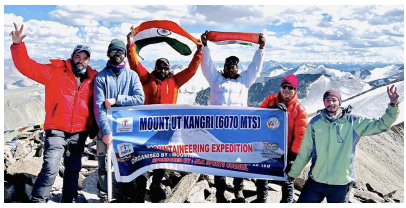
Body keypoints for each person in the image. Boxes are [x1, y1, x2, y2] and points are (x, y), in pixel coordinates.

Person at [10, 23, 98, 203]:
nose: (81, 60)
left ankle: (69, 200)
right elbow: (27, 66)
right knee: (50, 166)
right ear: (72, 57)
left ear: (88, 61)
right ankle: (38, 200)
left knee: (73, 169)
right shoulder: (55, 72)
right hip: (56, 129)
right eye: (77, 56)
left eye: (85, 58)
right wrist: (18, 46)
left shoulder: (93, 79)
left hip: (79, 132)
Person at [126, 27, 203, 202]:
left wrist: (199, 52)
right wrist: (130, 44)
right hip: (146, 125)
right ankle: (141, 185)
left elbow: (191, 70)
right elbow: (135, 64)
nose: (162, 70)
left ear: (169, 69)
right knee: (144, 155)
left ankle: (156, 184)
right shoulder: (147, 78)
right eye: (160, 67)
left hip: (167, 126)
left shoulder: (175, 80)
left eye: (165, 67)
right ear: (156, 68)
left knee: (161, 156)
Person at [288, 86, 400, 203]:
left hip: (341, 184)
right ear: (324, 102)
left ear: (339, 102)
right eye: (327, 100)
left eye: (334, 100)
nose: (330, 103)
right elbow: (305, 151)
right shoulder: (315, 123)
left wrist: (393, 105)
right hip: (316, 180)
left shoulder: (353, 122)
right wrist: (294, 173)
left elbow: (381, 125)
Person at [200, 31, 266, 203]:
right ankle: (220, 191)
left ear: (238, 68)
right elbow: (206, 65)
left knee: (239, 158)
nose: (231, 68)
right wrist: (205, 46)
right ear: (224, 68)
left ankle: (239, 191)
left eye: (234, 66)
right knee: (218, 158)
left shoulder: (245, 80)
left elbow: (255, 68)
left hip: (239, 128)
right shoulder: (215, 79)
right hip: (218, 128)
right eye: (228, 66)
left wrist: (261, 48)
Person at [93, 38, 145, 203]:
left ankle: (125, 194)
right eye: (114, 51)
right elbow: (98, 107)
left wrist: (117, 100)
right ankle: (104, 194)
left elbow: (140, 99)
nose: (117, 54)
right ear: (108, 53)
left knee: (124, 161)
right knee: (103, 163)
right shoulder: (101, 77)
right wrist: (106, 132)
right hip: (105, 129)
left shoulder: (132, 76)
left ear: (124, 55)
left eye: (120, 51)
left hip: (126, 129)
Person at [257, 74, 308, 203]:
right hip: (267, 146)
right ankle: (261, 201)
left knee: (287, 180)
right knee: (262, 175)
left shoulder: (299, 109)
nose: (286, 89)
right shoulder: (271, 99)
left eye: (290, 87)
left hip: (286, 151)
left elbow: (300, 135)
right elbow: (257, 115)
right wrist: (271, 109)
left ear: (295, 90)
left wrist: (292, 157)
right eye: (284, 86)